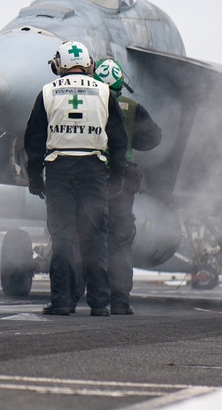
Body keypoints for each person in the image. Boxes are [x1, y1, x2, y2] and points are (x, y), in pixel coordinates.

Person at [24, 40, 128, 317]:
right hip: (93, 171)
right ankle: (100, 303)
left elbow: (33, 140)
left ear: (59, 64)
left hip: (59, 170)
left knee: (62, 238)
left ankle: (62, 300)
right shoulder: (105, 92)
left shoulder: (47, 92)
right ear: (89, 64)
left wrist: (35, 177)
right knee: (95, 237)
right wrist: (116, 178)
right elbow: (119, 141)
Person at [93, 58, 162, 315]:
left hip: (90, 178)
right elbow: (154, 138)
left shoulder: (89, 103)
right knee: (120, 241)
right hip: (121, 183)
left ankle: (84, 297)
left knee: (86, 237)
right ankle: (120, 300)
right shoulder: (132, 107)